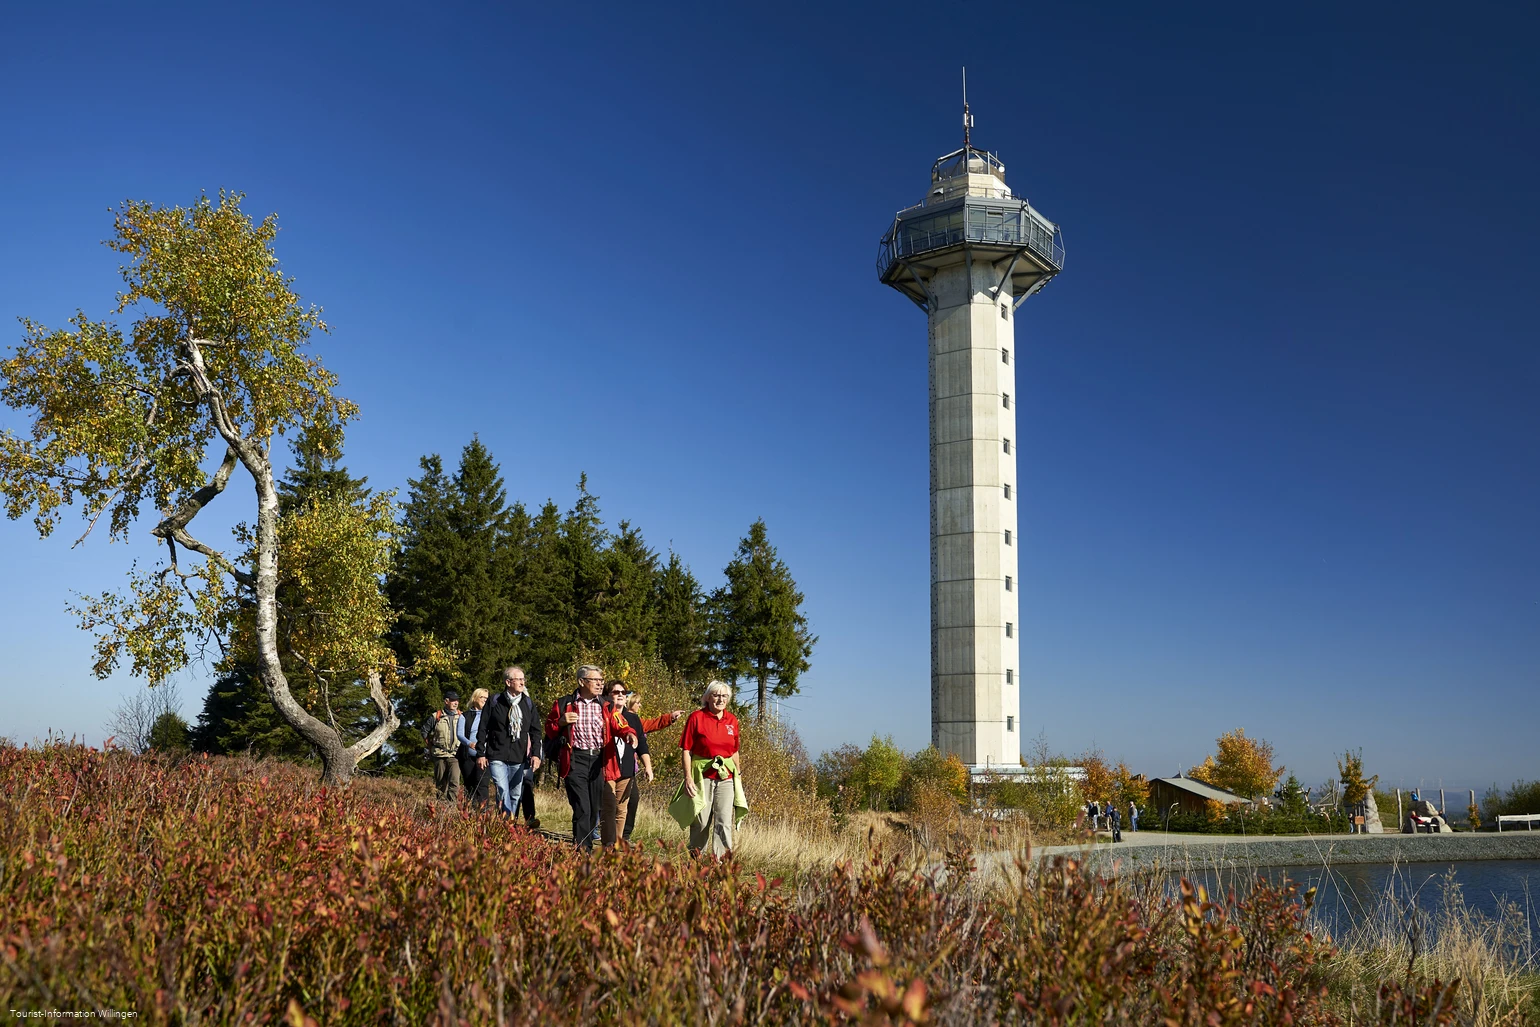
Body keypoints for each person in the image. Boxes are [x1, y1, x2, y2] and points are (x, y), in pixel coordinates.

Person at [545, 664, 635, 850]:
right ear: (582, 681)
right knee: (582, 808)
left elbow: (621, 724)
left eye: (601, 681)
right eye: (595, 680)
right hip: (575, 760)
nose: (600, 684)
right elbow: (549, 729)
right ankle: (583, 850)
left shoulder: (606, 705)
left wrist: (629, 733)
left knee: (594, 809)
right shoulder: (565, 703)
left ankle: (583, 845)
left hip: (598, 762)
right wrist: (561, 721)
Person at [671, 681, 747, 857]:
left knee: (724, 821)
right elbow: (686, 750)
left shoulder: (732, 720)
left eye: (724, 696)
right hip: (702, 775)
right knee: (701, 820)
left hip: (726, 776)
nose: (720, 699)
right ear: (708, 697)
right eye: (716, 695)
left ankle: (720, 863)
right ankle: (696, 861)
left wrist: (739, 775)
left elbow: (734, 751)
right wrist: (688, 777)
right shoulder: (696, 718)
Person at [478, 667, 542, 820]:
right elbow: (482, 728)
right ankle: (507, 820)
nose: (522, 682)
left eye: (523, 679)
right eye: (518, 679)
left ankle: (509, 826)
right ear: (508, 682)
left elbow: (536, 731)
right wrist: (481, 753)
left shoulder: (527, 703)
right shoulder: (494, 701)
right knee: (502, 789)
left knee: (515, 793)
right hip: (496, 755)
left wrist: (536, 754)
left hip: (519, 757)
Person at [623, 697, 684, 843]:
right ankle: (601, 830)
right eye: (637, 702)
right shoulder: (615, 716)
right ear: (630, 702)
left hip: (629, 768)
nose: (640, 705)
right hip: (613, 766)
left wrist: (670, 717)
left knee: (632, 799)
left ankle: (624, 835)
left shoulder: (637, 720)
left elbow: (652, 724)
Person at [458, 688, 490, 806]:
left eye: (487, 698)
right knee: (469, 784)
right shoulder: (465, 716)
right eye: (483, 698)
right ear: (475, 698)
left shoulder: (490, 716)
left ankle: (483, 812)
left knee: (482, 783)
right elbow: (459, 734)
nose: (485, 700)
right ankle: (469, 812)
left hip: (484, 755)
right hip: (467, 756)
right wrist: (469, 744)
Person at [428, 692, 462, 802]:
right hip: (439, 754)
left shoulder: (462, 716)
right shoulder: (436, 716)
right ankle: (440, 806)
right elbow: (424, 732)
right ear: (446, 701)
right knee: (440, 783)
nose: (456, 702)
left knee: (454, 782)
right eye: (453, 700)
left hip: (456, 755)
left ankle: (451, 808)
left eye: (457, 700)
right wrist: (430, 747)